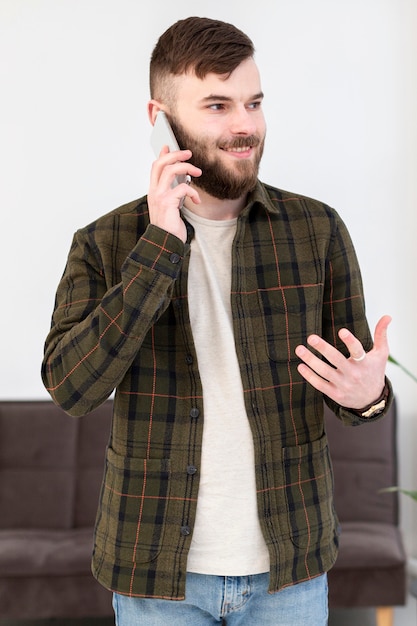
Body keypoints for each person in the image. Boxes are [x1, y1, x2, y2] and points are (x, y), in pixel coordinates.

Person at [42, 16, 392, 626]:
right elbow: (72, 389)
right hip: (156, 576)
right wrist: (160, 246)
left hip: (290, 572)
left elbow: (353, 391)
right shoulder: (104, 242)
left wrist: (368, 397)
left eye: (254, 103)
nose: (245, 125)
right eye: (218, 105)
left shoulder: (317, 230)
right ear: (161, 117)